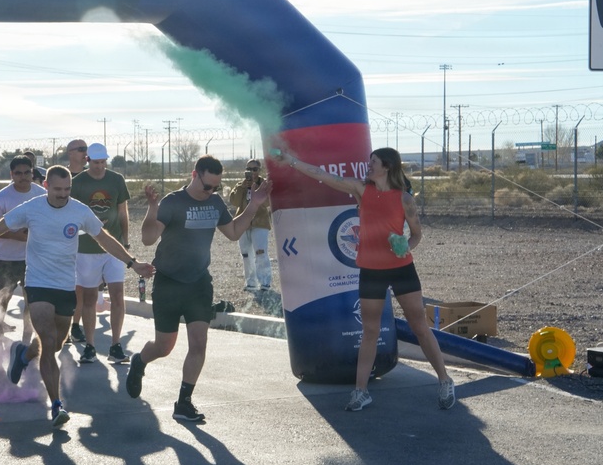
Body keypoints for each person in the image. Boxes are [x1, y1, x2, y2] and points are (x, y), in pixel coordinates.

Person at [0, 165, 154, 428]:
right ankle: (57, 405)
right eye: (58, 189)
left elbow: (104, 238)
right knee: (48, 338)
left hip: (66, 286)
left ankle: (23, 356)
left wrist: (132, 263)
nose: (63, 194)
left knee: (54, 344)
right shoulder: (32, 208)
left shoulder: (79, 210)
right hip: (38, 284)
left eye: (67, 189)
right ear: (46, 186)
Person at [278, 145, 455, 411]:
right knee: (370, 331)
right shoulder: (362, 190)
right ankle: (360, 392)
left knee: (419, 326)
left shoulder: (405, 199)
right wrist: (290, 160)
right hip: (371, 270)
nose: (368, 166)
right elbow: (323, 175)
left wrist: (406, 245)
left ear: (387, 167)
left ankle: (444, 381)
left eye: (373, 162)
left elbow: (417, 234)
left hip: (401, 268)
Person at [125, 155, 271, 423]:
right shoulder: (172, 202)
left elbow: (235, 232)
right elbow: (147, 239)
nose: (211, 192)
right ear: (195, 175)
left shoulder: (215, 203)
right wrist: (153, 208)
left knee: (198, 344)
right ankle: (139, 362)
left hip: (199, 283)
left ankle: (183, 402)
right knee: (164, 346)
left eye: (216, 188)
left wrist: (254, 204)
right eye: (207, 186)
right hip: (168, 282)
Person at [71, 143, 132, 364]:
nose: (99, 166)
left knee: (117, 295)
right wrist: (89, 226)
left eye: (103, 162)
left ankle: (116, 345)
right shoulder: (77, 183)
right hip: (86, 249)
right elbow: (72, 214)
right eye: (96, 162)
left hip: (113, 248)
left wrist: (125, 240)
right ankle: (90, 346)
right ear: (88, 161)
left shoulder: (116, 180)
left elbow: (122, 211)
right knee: (88, 298)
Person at [0, 156, 46, 336]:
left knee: (31, 299)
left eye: (27, 172)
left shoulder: (41, 194)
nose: (23, 176)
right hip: (6, 258)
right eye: (18, 173)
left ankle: (28, 333)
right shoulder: (1, 198)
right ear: (12, 174)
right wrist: (16, 235)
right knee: (4, 296)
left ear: (32, 172)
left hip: (33, 258)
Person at [227, 159, 273, 291]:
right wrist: (243, 188)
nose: (252, 172)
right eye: (249, 169)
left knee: (261, 252)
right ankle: (251, 282)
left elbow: (267, 203)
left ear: (259, 170)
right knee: (246, 254)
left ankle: (265, 282)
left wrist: (258, 190)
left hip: (260, 222)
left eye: (255, 169)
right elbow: (234, 202)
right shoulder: (240, 185)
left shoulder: (264, 184)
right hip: (243, 223)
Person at [63, 139, 89, 342]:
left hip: (87, 240)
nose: (84, 153)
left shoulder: (92, 177)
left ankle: (75, 324)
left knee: (82, 287)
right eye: (80, 149)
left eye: (85, 149)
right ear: (70, 153)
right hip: (65, 237)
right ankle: (65, 323)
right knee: (69, 286)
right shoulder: (62, 178)